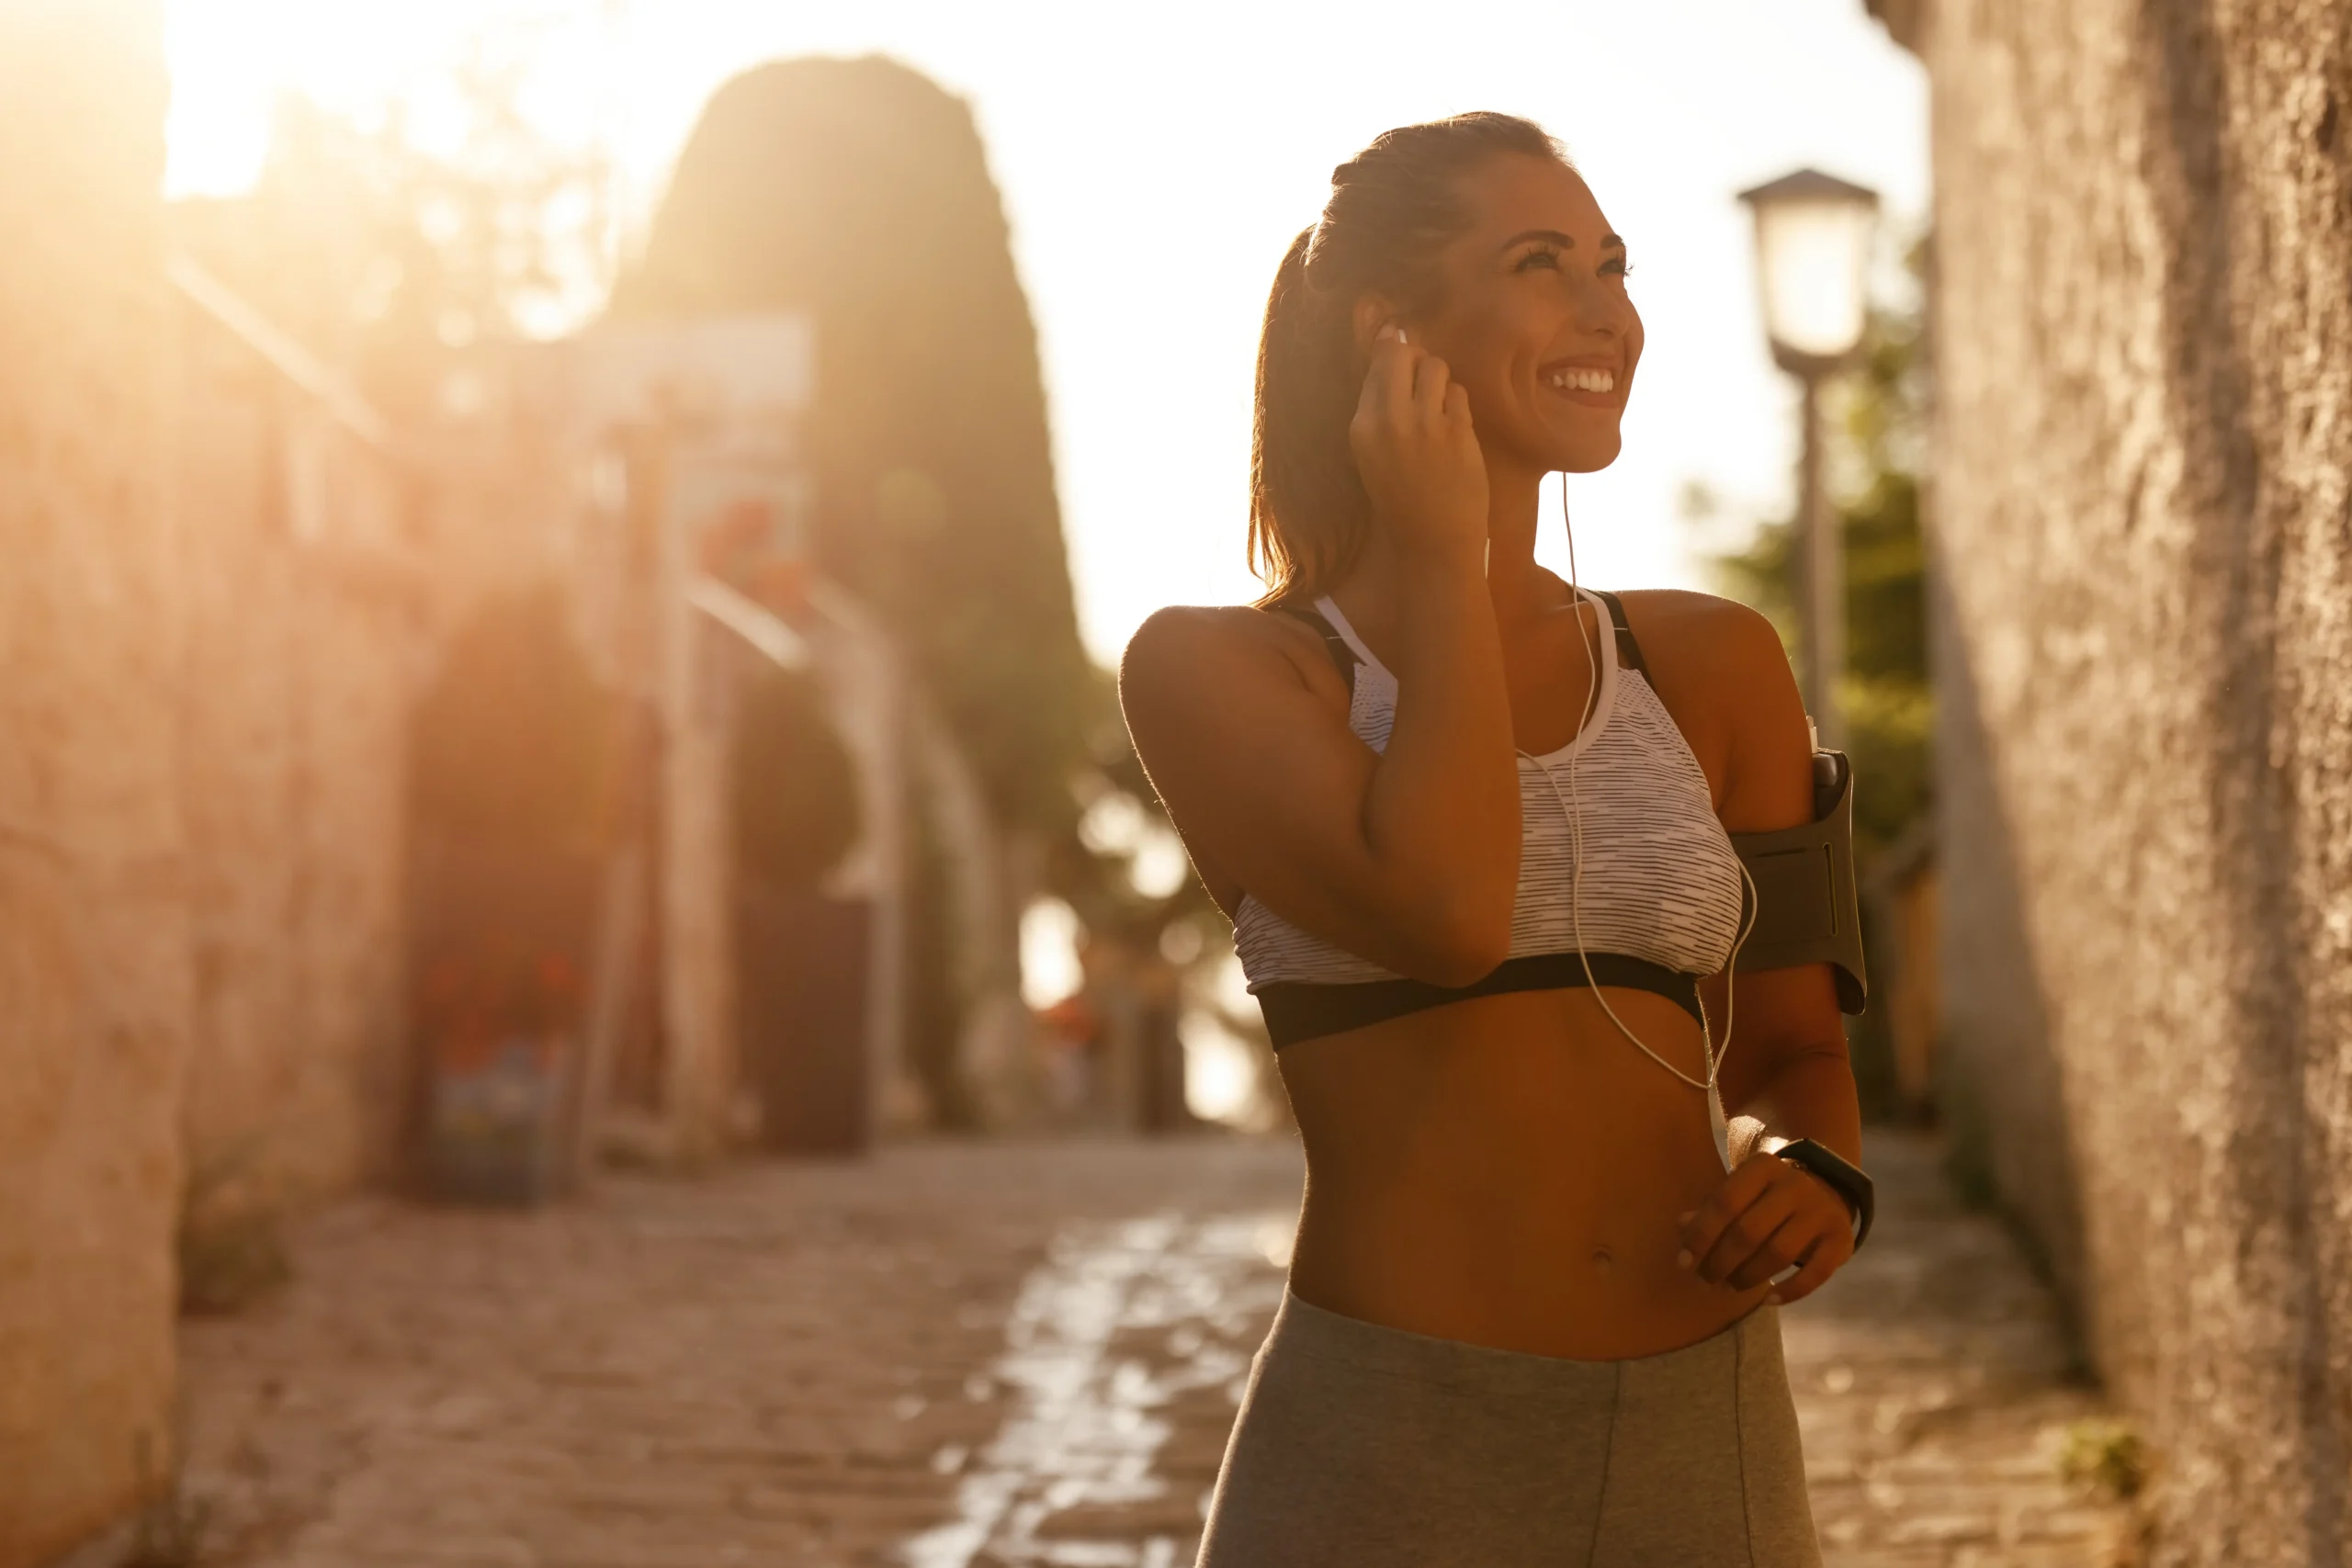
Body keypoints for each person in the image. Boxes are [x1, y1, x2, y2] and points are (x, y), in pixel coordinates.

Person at [1118, 113, 1861, 1565]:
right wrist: (1448, 554)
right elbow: (1450, 909)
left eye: (1613, 265)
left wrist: (1813, 1167)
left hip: (1702, 1441)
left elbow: (1795, 1051)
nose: (1606, 313)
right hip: (1386, 1449)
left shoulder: (1716, 665)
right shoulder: (1220, 671)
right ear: (1392, 327)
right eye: (1540, 265)